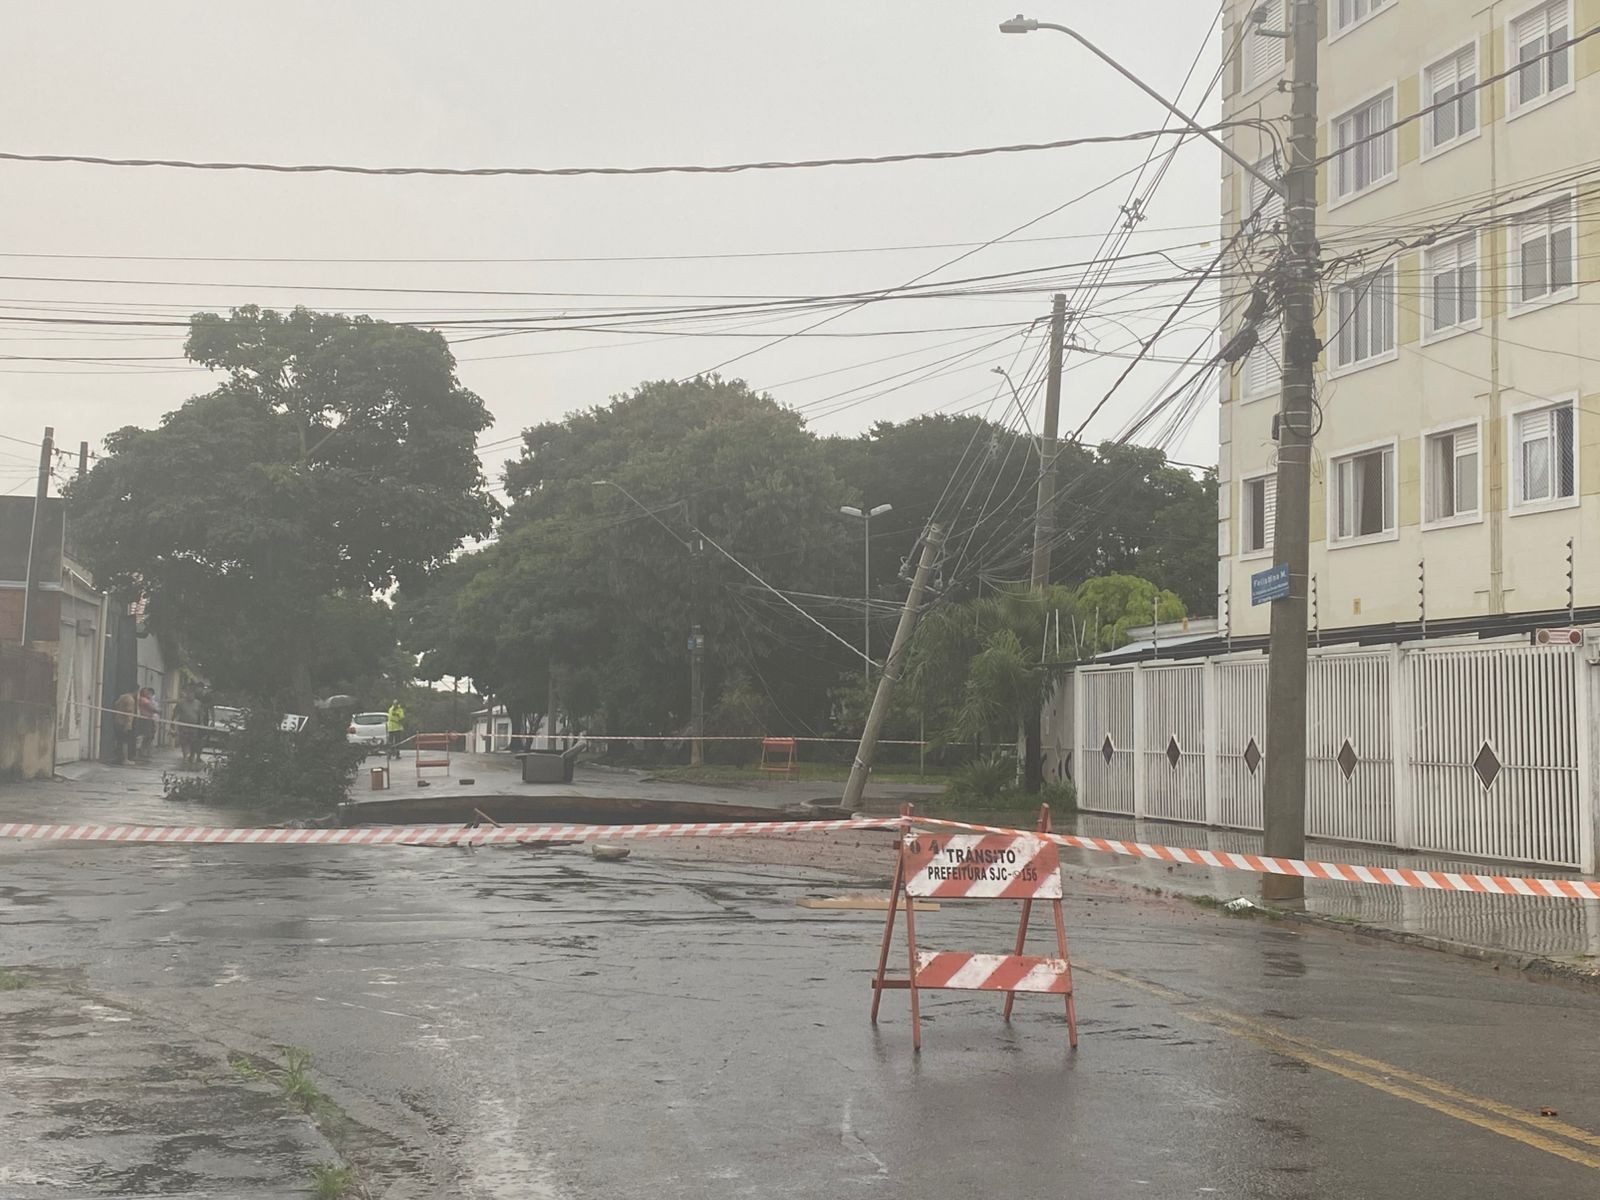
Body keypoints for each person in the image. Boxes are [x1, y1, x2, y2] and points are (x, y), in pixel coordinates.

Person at [173, 691, 205, 767]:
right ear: (187, 694)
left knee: (193, 742)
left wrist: (201, 723)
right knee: (184, 741)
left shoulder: (198, 703)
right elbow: (176, 712)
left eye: (192, 694)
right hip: (183, 725)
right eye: (189, 694)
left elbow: (201, 714)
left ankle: (192, 755)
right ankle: (185, 757)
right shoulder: (181, 702)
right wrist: (174, 723)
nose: (190, 696)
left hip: (194, 726)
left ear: (194, 695)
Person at [112, 690, 137, 765]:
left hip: (117, 720)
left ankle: (118, 757)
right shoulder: (130, 700)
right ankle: (125, 759)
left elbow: (116, 705)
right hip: (124, 722)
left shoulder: (121, 697)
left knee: (118, 740)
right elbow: (129, 712)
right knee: (125, 741)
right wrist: (128, 724)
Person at [135, 687, 158, 762]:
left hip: (149, 719)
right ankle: (141, 751)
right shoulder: (144, 700)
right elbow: (152, 709)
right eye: (146, 692)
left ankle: (145, 751)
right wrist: (157, 710)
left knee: (149, 736)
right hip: (145, 719)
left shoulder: (148, 700)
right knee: (144, 735)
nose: (148, 693)